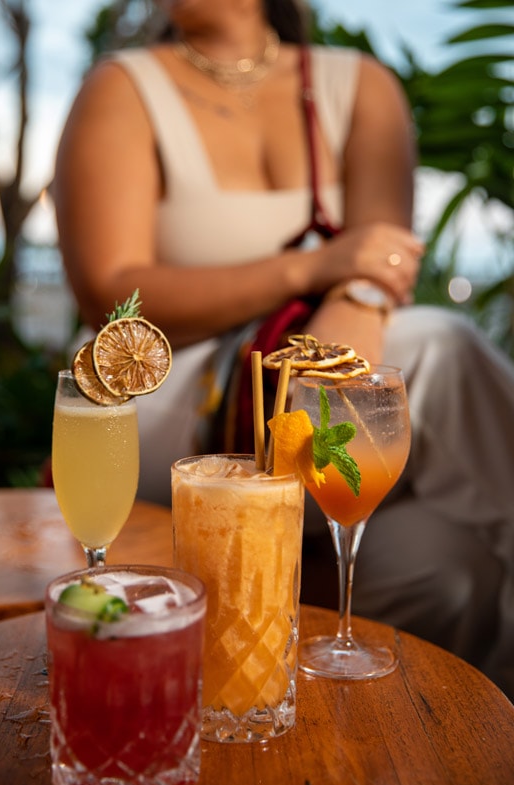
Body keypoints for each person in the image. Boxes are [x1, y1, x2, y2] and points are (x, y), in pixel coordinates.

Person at [53, 0, 514, 698]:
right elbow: (109, 293)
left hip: (321, 369)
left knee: (451, 567)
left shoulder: (360, 86)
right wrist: (312, 270)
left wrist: (342, 316)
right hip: (166, 399)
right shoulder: (124, 87)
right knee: (441, 345)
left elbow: (379, 266)